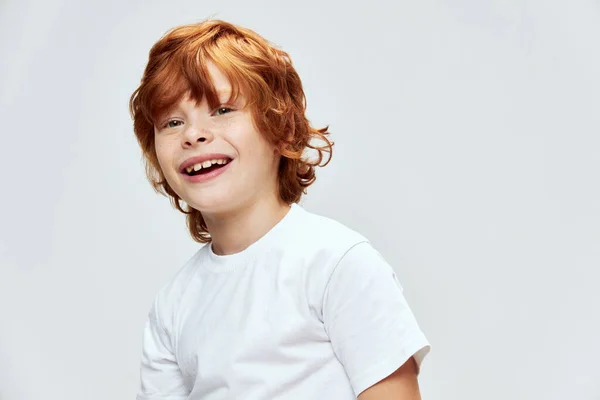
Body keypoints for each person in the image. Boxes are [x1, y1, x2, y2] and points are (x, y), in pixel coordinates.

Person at [128, 18, 431, 400]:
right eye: (172, 122)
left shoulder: (337, 263)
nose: (194, 134)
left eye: (222, 110)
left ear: (281, 129)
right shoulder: (173, 306)